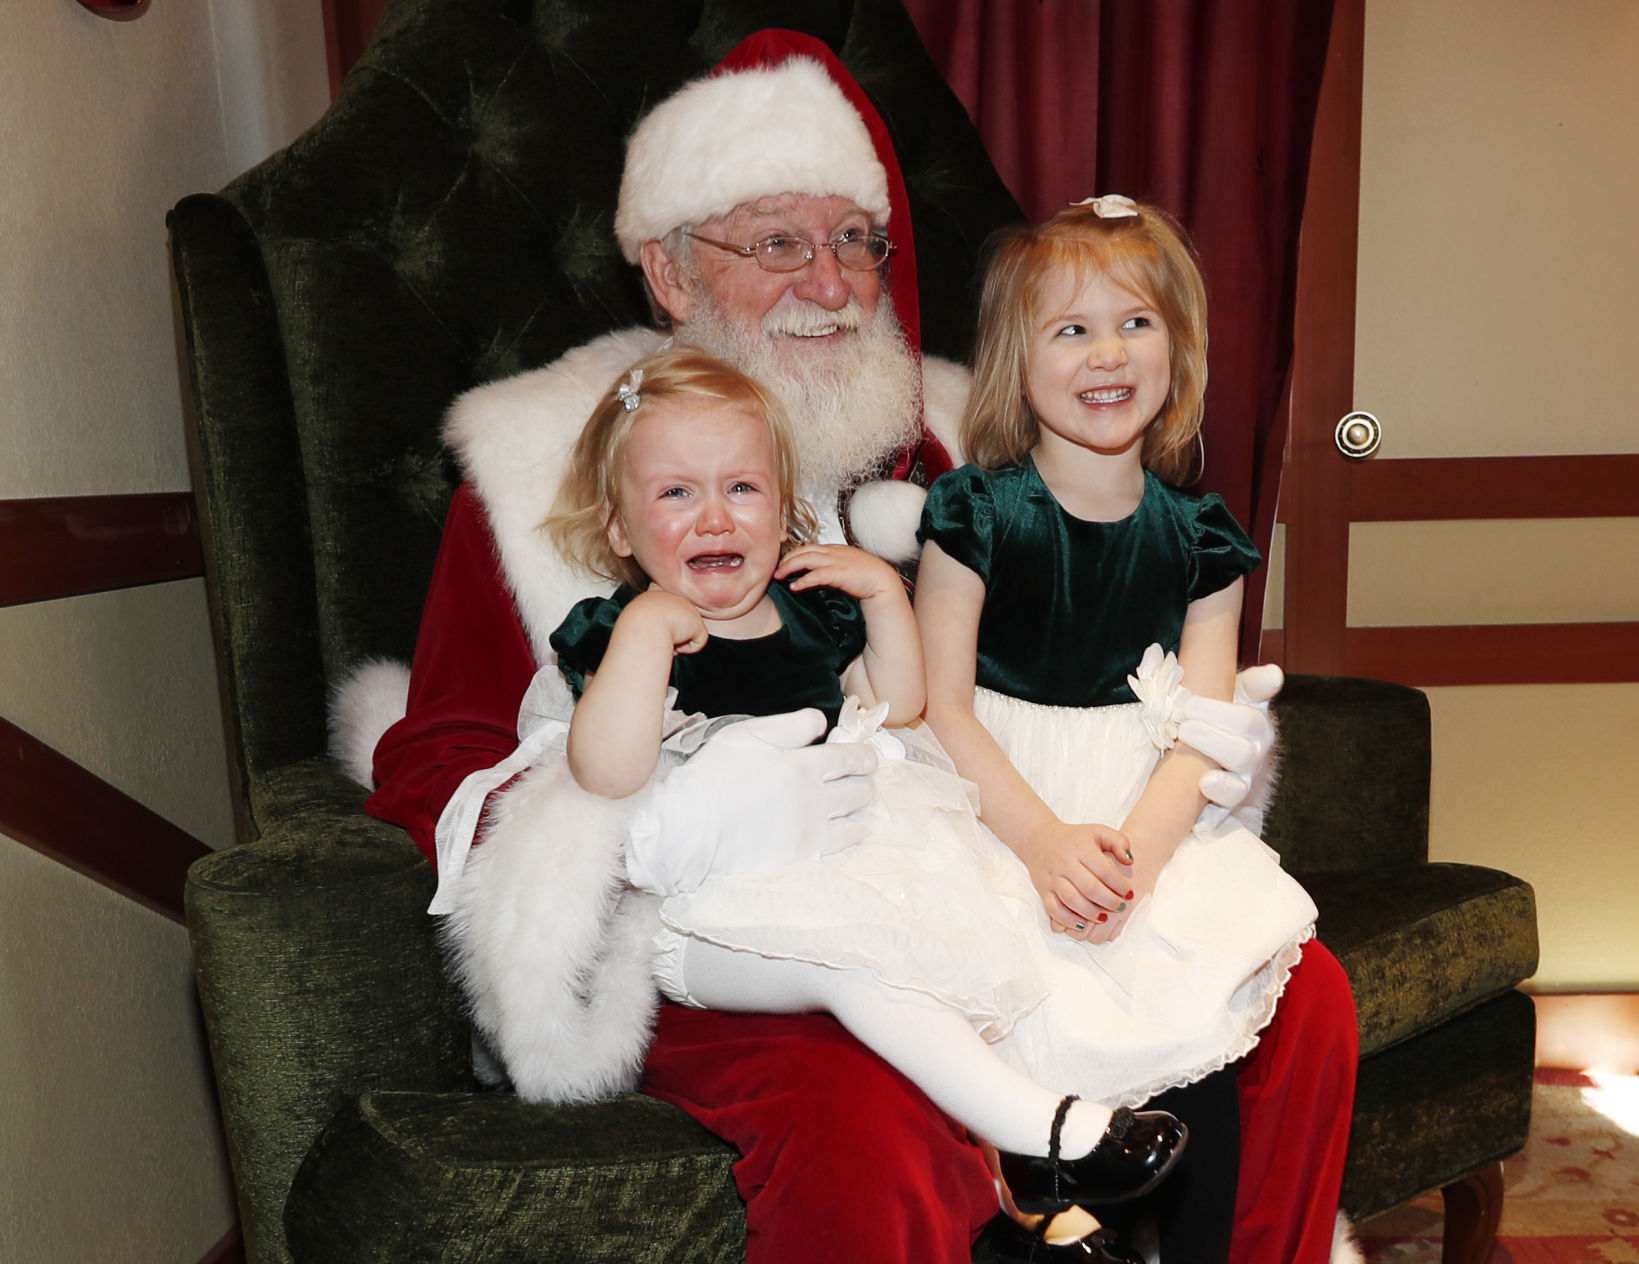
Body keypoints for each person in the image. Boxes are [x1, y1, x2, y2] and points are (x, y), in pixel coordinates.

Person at [351, 29, 1359, 1264]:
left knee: (1294, 1001)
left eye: (855, 241)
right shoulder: (539, 467)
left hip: (968, 869)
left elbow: (1076, 670)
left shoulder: (963, 441)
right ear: (670, 272)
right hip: (717, 935)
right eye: (779, 244)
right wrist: (649, 820)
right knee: (870, 1123)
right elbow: (434, 758)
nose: (831, 285)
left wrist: (1160, 798)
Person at [529, 344, 1188, 1232]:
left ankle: (1025, 1190)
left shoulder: (811, 610)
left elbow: (900, 703)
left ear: (782, 512)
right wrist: (645, 632)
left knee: (935, 959)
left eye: (742, 488)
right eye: (675, 493)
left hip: (835, 872)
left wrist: (882, 595)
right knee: (860, 966)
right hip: (697, 920)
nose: (714, 517)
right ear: (619, 530)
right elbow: (604, 772)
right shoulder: (619, 631)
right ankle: (1043, 1133)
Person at [916, 196, 1351, 1264]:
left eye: (1135, 323)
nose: (1106, 353)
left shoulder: (1201, 540)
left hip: (1148, 828)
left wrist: (1130, 870)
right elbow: (939, 704)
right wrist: (1043, 845)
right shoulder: (972, 513)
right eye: (1071, 328)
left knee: (1206, 1004)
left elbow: (1204, 728)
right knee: (1010, 1016)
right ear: (1017, 361)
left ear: (1178, 349)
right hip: (994, 814)